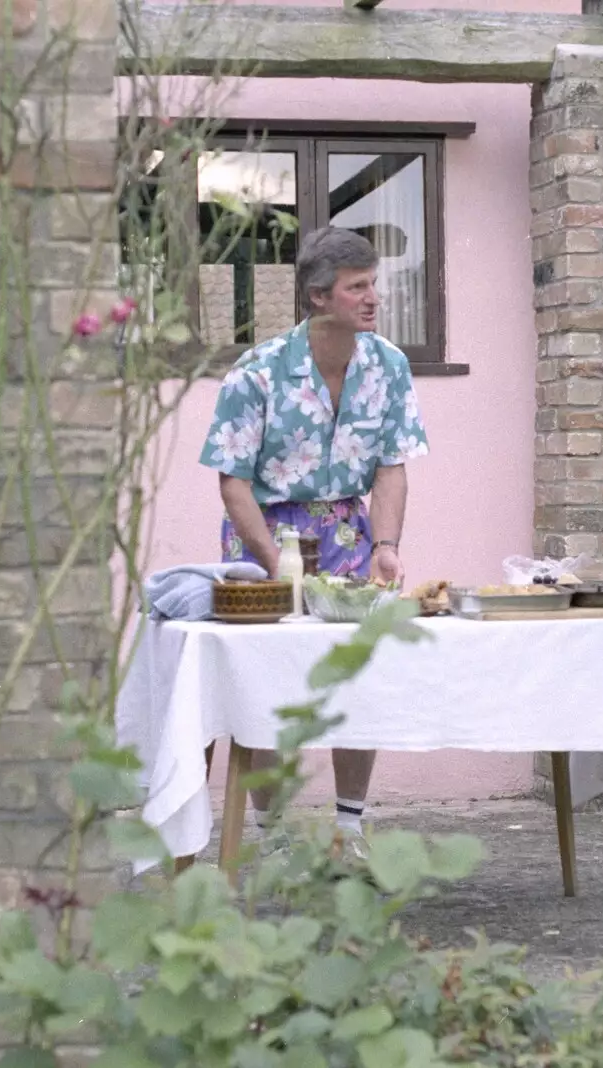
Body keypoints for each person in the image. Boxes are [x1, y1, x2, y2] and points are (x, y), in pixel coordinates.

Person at [200, 226, 429, 860]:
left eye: (373, 284)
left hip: (351, 533)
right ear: (318, 297)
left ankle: (350, 826)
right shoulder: (257, 371)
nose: (373, 297)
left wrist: (386, 543)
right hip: (265, 534)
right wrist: (274, 561)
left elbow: (391, 464)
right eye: (358, 287)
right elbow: (232, 481)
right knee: (265, 684)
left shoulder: (389, 364)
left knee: (359, 674)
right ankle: (273, 833)